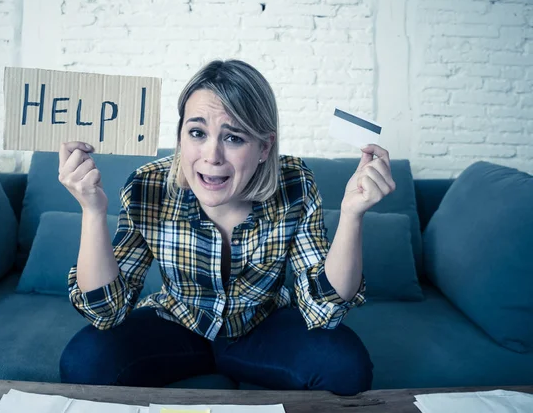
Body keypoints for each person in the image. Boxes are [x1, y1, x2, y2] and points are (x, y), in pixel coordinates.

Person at [58, 59, 396, 395]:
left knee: (345, 365)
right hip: (178, 325)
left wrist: (352, 214)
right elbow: (106, 310)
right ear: (180, 137)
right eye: (197, 133)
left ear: (264, 147)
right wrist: (92, 211)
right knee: (84, 360)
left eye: (233, 137)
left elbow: (325, 309)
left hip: (260, 327)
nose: (212, 155)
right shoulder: (148, 186)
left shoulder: (295, 183)